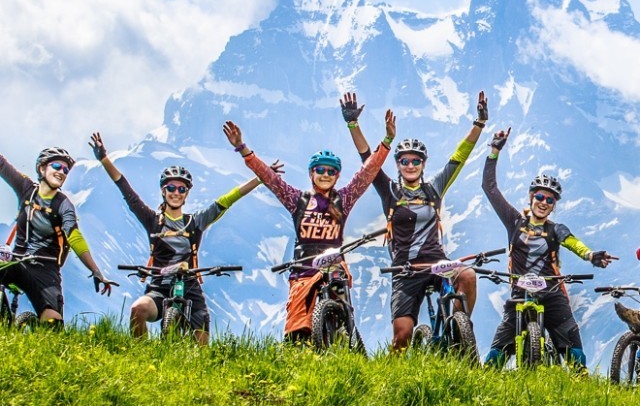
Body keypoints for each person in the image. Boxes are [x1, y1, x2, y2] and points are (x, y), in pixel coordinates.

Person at [222, 108, 396, 342]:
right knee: (297, 327)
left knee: (340, 293)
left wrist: (387, 141)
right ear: (311, 173)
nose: (325, 174)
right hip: (303, 268)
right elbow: (270, 179)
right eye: (320, 170)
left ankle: (346, 334)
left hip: (334, 265)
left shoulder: (343, 198)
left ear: (337, 176)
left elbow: (368, 172)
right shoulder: (297, 200)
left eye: (331, 171)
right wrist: (242, 148)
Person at [89, 133, 278, 346]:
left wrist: (261, 177)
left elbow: (229, 199)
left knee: (201, 351)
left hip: (190, 287)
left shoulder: (195, 222)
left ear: (187, 193)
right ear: (163, 191)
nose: (175, 193)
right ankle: (140, 356)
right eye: (171, 188)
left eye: (181, 189)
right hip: (159, 286)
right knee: (137, 309)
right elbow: (127, 191)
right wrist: (104, 159)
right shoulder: (153, 220)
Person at [341, 91, 488, 351]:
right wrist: (353, 124)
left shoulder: (434, 189)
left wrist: (479, 124)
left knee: (468, 275)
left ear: (423, 164)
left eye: (416, 160)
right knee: (402, 338)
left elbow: (459, 158)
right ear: (398, 164)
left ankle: (457, 334)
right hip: (405, 270)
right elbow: (368, 158)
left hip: (437, 263)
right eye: (405, 161)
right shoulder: (390, 191)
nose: (410, 165)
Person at [482, 127, 616, 369]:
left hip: (552, 292)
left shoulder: (556, 229)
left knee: (572, 339)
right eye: (540, 198)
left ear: (554, 206)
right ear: (531, 198)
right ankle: (482, 383)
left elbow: (573, 243)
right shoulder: (514, 221)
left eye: (550, 200)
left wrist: (591, 256)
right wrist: (494, 151)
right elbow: (490, 189)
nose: (544, 203)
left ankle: (580, 382)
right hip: (519, 291)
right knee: (497, 350)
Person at [0, 147, 116, 328]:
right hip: (18, 262)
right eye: (56, 166)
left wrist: (96, 270)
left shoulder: (64, 205)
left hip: (46, 269)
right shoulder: (26, 189)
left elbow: (74, 237)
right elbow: (2, 165)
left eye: (65, 170)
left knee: (53, 326)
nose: (62, 172)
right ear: (41, 168)